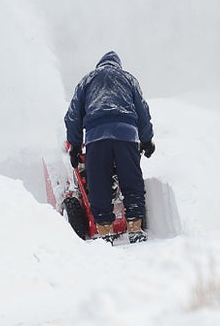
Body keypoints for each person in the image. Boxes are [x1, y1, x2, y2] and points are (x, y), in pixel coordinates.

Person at [64, 51, 155, 242]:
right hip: (126, 136)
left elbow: (73, 115)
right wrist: (146, 139)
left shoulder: (87, 80)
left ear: (100, 65)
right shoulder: (129, 79)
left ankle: (105, 234)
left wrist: (74, 146)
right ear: (117, 65)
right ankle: (135, 229)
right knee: (132, 182)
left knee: (98, 185)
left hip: (96, 138)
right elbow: (143, 112)